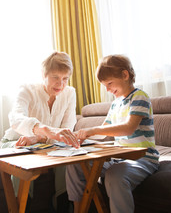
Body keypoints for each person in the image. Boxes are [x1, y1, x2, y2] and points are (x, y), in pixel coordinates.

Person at [66, 54, 159, 213]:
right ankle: (79, 209)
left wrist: (92, 130)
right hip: (119, 158)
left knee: (114, 176)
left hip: (143, 158)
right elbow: (104, 131)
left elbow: (128, 127)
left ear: (125, 75)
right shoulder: (116, 104)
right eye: (104, 85)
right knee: (74, 165)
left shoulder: (139, 97)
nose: (107, 89)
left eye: (109, 83)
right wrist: (81, 136)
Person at [1, 51, 79, 211]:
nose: (61, 84)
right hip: (17, 141)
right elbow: (15, 118)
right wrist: (42, 131)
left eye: (65, 78)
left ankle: (63, 206)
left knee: (67, 158)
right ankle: (22, 207)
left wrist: (38, 139)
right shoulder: (27, 90)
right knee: (21, 157)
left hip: (51, 144)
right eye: (55, 77)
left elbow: (67, 128)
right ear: (44, 74)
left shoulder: (70, 93)